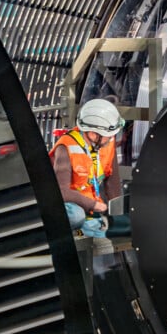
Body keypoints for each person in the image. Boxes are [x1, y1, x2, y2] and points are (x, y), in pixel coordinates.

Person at [52, 99, 124, 237]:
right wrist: (93, 205)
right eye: (108, 136)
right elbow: (60, 192)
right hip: (68, 206)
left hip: (90, 209)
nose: (111, 138)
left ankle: (87, 227)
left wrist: (117, 214)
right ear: (92, 134)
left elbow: (112, 181)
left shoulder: (107, 142)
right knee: (75, 216)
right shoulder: (66, 147)